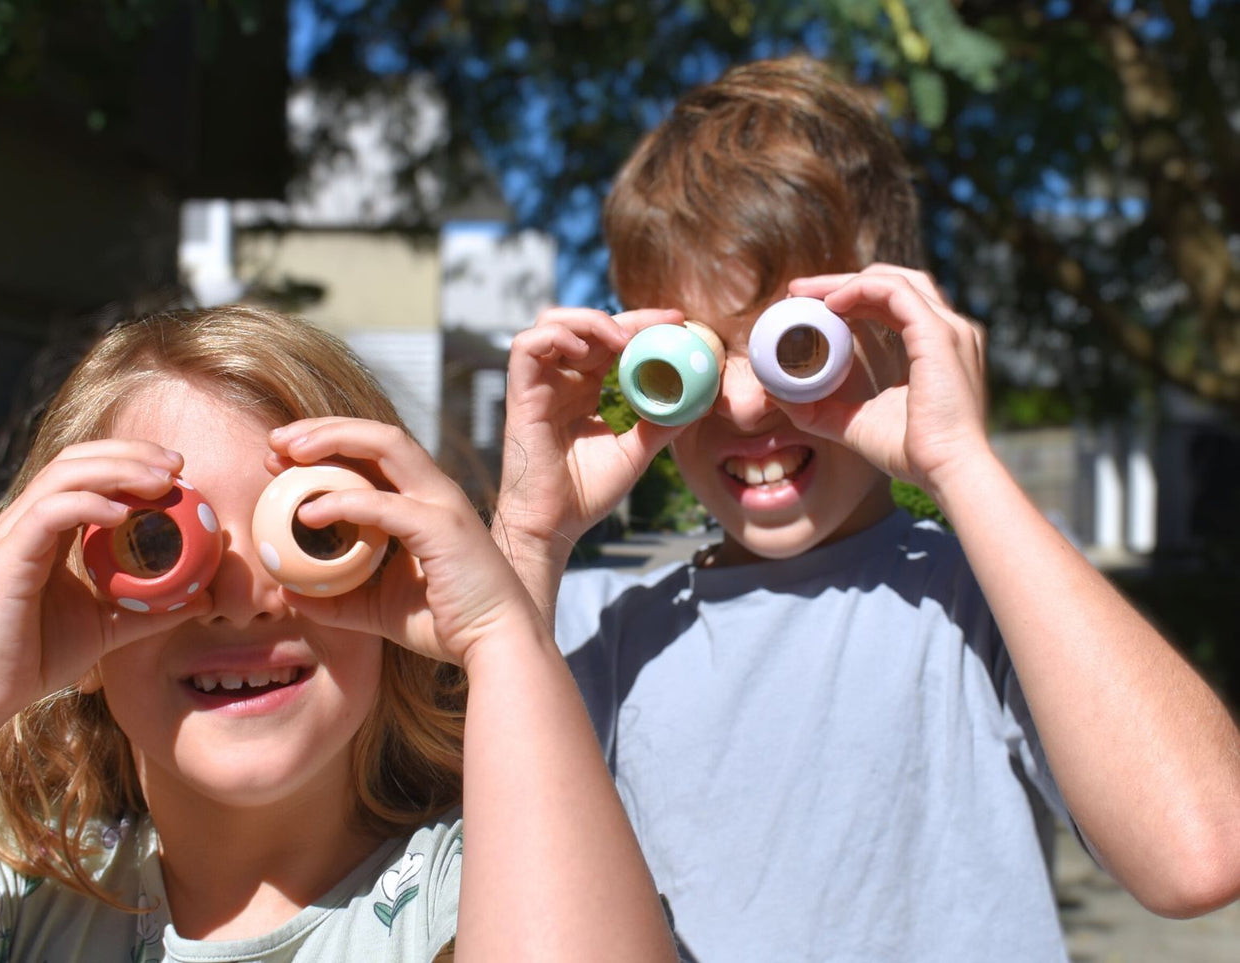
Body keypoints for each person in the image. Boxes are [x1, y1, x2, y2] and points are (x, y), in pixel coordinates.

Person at [492, 55, 1240, 961]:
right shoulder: (584, 630)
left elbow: (1202, 846)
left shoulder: (983, 599)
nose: (744, 403)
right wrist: (529, 537)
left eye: (792, 346)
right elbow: (450, 855)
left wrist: (962, 461)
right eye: (690, 356)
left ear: (892, 324)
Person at [0, 305, 678, 963]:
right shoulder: (16, 892)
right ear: (74, 609)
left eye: (315, 532)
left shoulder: (465, 894)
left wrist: (496, 635)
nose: (241, 601)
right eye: (158, 542)